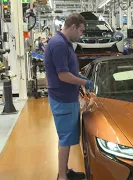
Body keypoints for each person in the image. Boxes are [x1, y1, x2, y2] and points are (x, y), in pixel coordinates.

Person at [45, 13, 93, 180]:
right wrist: (83, 82)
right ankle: (63, 177)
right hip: (62, 98)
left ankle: (64, 171)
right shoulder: (59, 45)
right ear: (73, 27)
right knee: (65, 139)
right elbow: (63, 76)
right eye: (81, 31)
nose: (81, 34)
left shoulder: (65, 43)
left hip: (67, 97)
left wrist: (80, 76)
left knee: (65, 137)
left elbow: (69, 70)